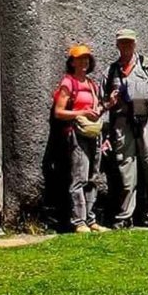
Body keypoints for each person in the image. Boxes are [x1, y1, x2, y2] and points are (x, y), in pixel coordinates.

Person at [104, 29, 148, 229]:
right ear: (117, 45)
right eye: (122, 43)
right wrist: (106, 131)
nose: (126, 46)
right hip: (122, 122)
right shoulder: (111, 71)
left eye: (129, 43)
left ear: (135, 44)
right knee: (126, 170)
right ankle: (125, 216)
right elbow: (104, 103)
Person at [50, 44, 108, 234]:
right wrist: (81, 112)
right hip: (76, 134)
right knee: (79, 177)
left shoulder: (92, 85)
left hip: (93, 133)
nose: (84, 62)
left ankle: (91, 220)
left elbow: (97, 110)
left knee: (93, 177)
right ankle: (78, 221)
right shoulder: (69, 83)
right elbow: (59, 112)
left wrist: (107, 105)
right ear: (72, 62)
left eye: (87, 59)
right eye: (80, 58)